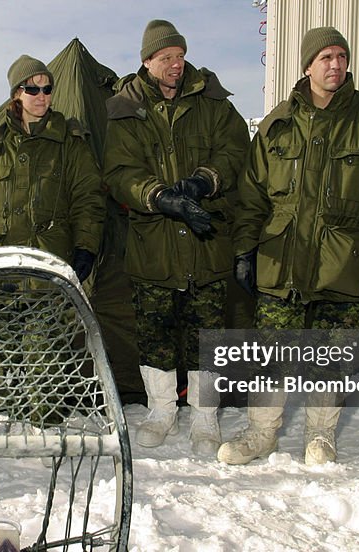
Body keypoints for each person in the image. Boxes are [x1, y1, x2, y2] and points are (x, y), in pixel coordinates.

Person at [220, 27, 359, 466]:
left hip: (343, 262)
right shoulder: (277, 124)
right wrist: (245, 251)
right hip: (281, 261)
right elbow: (252, 196)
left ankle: (321, 435)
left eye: (342, 56)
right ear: (308, 66)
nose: (335, 65)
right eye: (325, 57)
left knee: (330, 355)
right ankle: (261, 434)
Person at [103, 20, 249, 456]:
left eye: (179, 55)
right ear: (147, 61)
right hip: (154, 244)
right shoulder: (125, 109)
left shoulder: (213, 102)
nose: (175, 63)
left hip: (206, 242)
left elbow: (236, 151)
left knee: (206, 334)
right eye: (165, 57)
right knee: (155, 331)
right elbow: (118, 172)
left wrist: (205, 182)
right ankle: (160, 412)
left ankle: (206, 417)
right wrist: (160, 197)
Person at [0, 54, 104, 283]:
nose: (42, 96)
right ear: (16, 94)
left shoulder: (70, 143)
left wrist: (86, 247)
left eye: (47, 89)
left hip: (51, 273)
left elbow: (88, 199)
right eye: (32, 89)